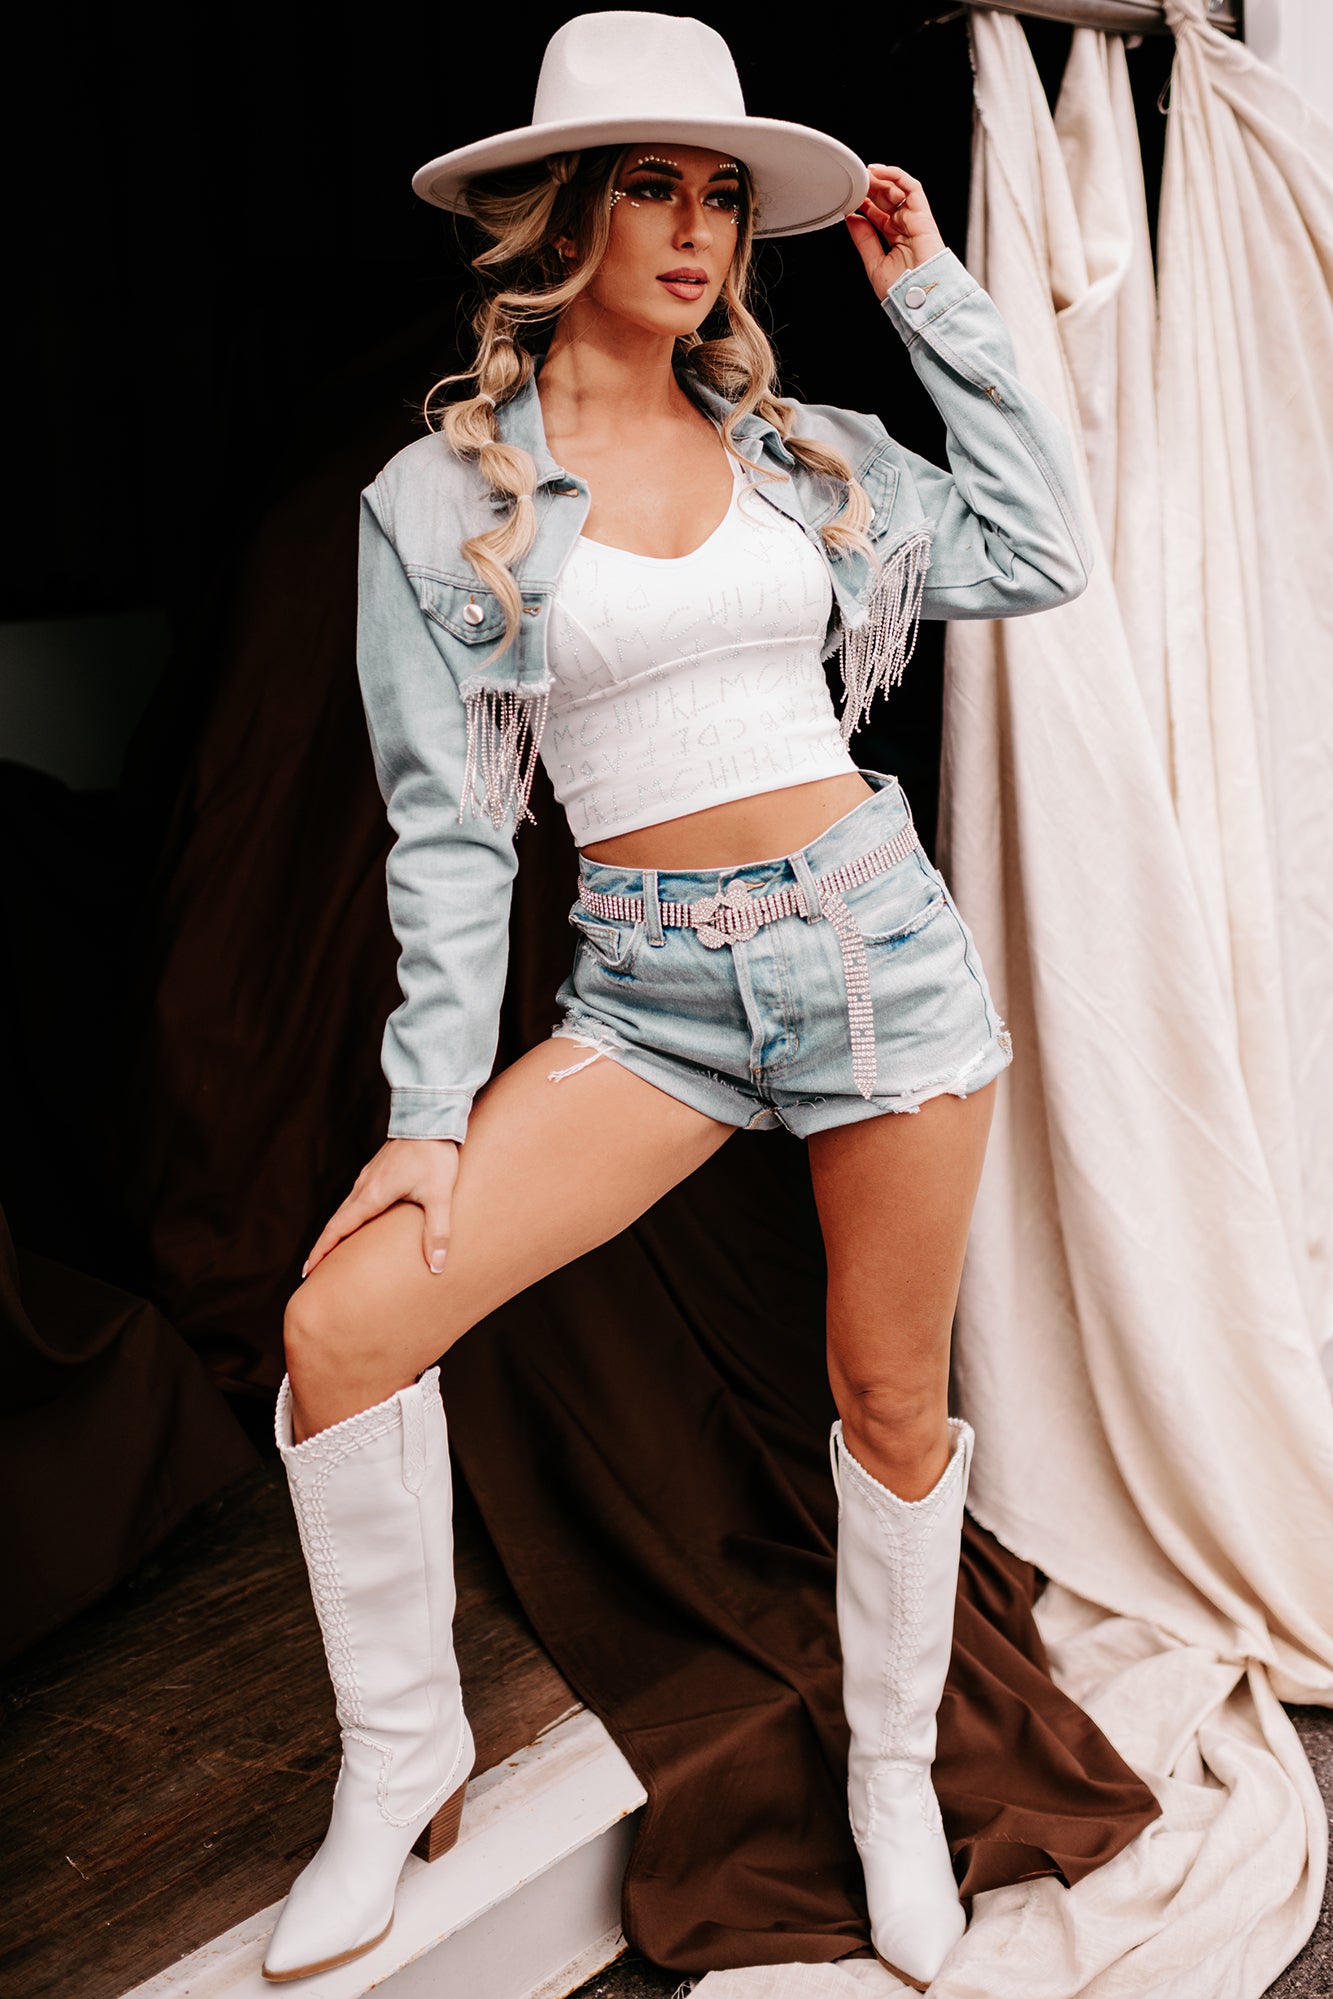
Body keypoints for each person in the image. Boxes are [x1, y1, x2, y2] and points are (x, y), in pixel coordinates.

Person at [259, 12, 1092, 1990]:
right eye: (653, 184)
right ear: (559, 216)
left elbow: (1039, 548)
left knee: (888, 1400)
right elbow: (448, 836)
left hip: (874, 954)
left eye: (722, 193)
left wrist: (934, 299)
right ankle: (400, 1760)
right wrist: (424, 1117)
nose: (699, 226)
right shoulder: (436, 501)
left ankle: (889, 1783)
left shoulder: (808, 455)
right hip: (648, 996)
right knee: (342, 1325)